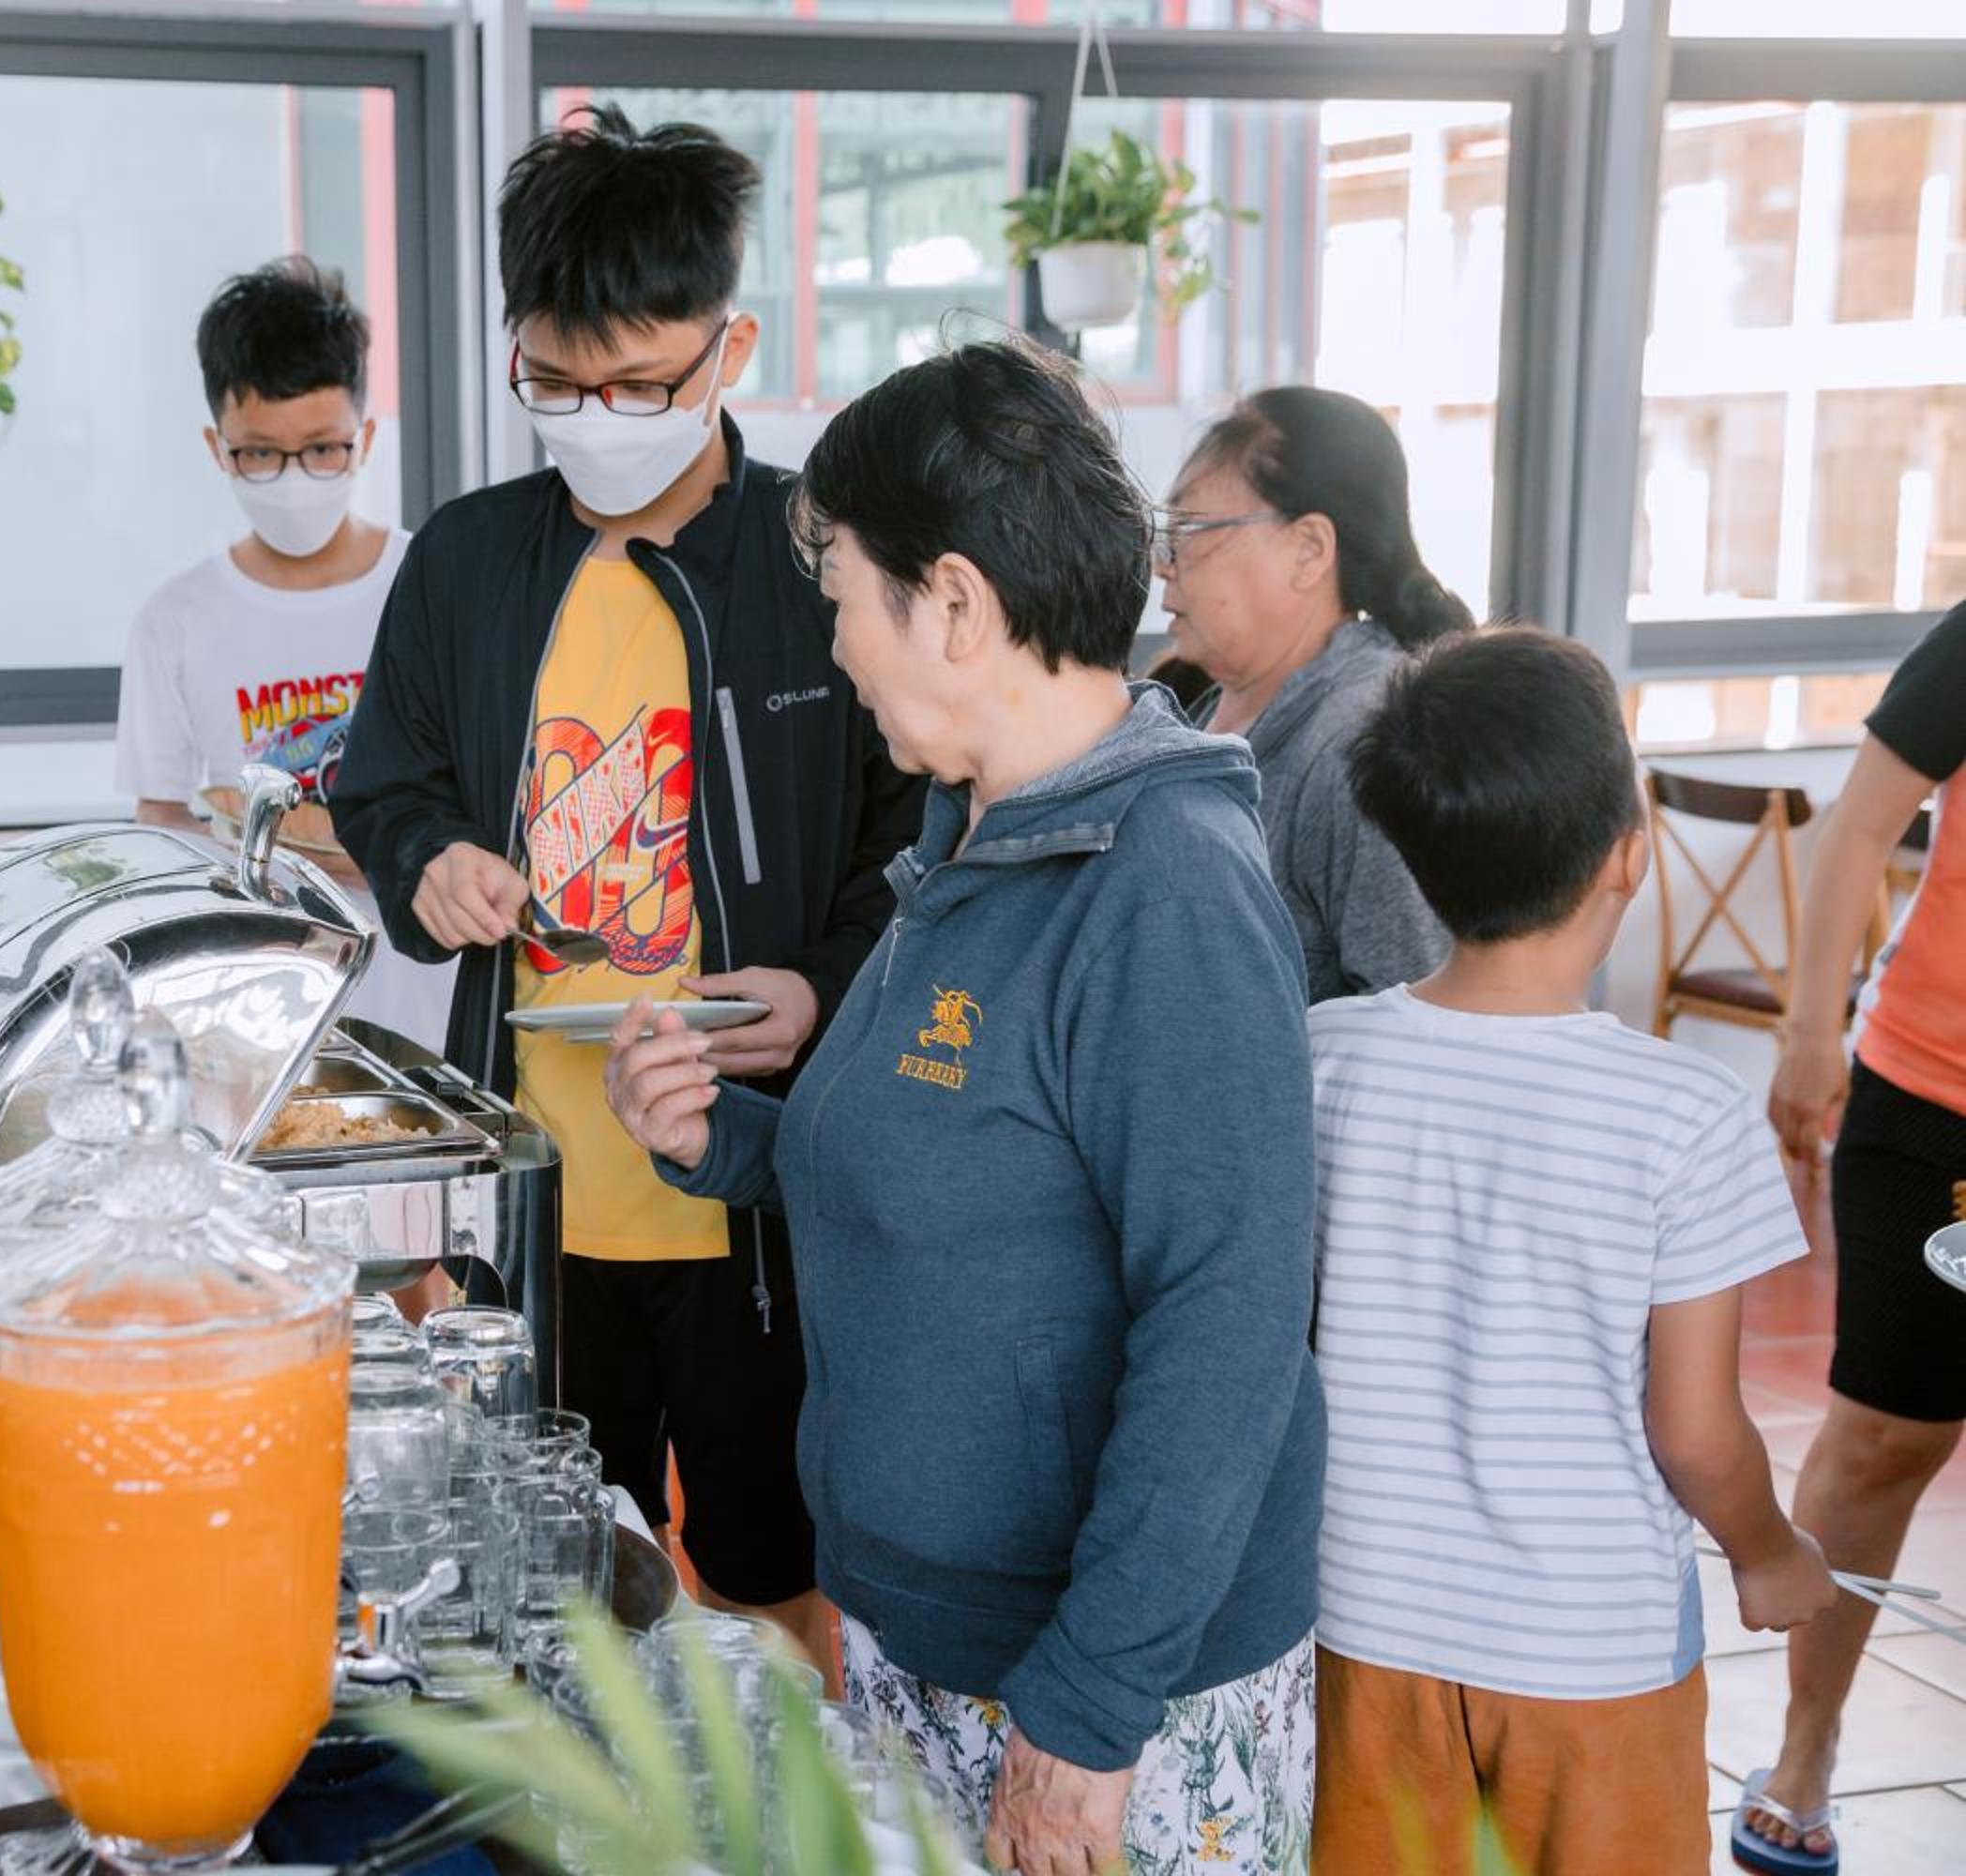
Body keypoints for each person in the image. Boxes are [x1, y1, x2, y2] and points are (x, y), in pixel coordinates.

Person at [603, 339, 1323, 1875]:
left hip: (1098, 1693)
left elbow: (1230, 1329)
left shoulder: (1166, 890)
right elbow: (948, 1169)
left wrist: (1090, 1710)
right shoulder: (967, 842)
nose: (840, 647)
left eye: (846, 600)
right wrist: (720, 1141)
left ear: (951, 603)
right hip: (925, 1637)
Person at [330, 107, 922, 1666]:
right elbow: (382, 785)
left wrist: (823, 990)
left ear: (731, 349)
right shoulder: (466, 565)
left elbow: (916, 848)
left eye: (641, 385)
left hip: (761, 1198)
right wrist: (429, 860)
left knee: (774, 1572)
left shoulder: (819, 566)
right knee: (542, 1583)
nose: (596, 420)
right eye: (555, 384)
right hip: (538, 1191)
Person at [1309, 628, 1837, 1875]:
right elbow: (1695, 1429)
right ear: (1629, 857)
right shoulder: (1685, 1113)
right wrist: (1771, 1553)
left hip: (1358, 1623)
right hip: (1589, 1657)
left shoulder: (1321, 1055)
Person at [1739, 599, 1966, 1875]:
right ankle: (1808, 1739)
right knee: (1889, 1431)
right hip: (1938, 1097)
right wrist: (1809, 1028)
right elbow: (1862, 823)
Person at [113, 256, 451, 1049]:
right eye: (260, 454)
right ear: (217, 446)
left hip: (430, 1003)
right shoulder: (175, 621)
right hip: (260, 1015)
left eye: (324, 449)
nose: (294, 479)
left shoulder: (433, 583)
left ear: (366, 437)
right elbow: (160, 818)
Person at [1157, 386, 1462, 1002]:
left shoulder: (1364, 740)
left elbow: (1413, 1011)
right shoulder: (1201, 706)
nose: (1163, 564)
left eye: (1192, 529)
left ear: (1308, 551)